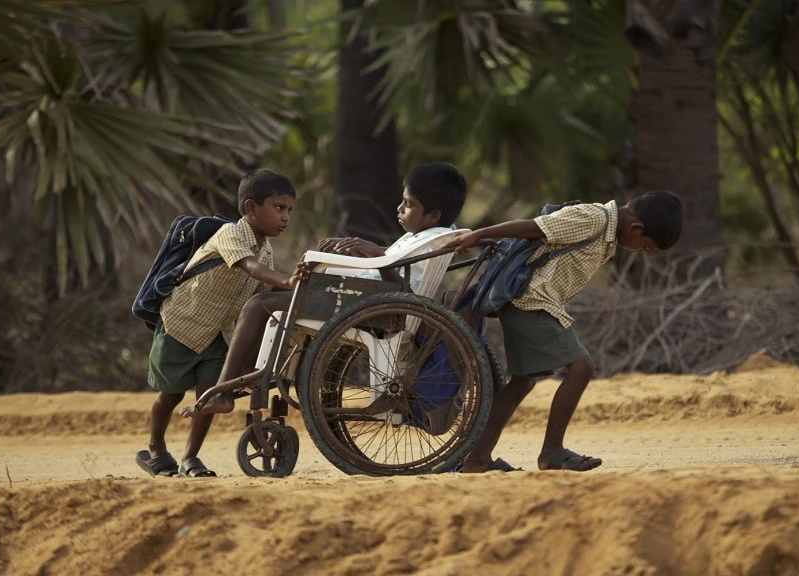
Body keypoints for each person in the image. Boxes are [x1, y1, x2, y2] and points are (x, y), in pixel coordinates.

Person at [181, 162, 469, 419]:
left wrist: (370, 253)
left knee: (260, 304)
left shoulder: (428, 236)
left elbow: (401, 284)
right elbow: (404, 263)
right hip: (373, 300)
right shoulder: (437, 233)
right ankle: (257, 374)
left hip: (375, 305)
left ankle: (226, 388)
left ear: (432, 215)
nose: (399, 208)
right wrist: (365, 248)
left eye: (407, 204)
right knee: (278, 300)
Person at [445, 191, 684, 473]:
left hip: (532, 302)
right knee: (581, 368)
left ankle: (477, 460)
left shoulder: (606, 232)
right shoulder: (593, 218)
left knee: (523, 381)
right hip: (531, 301)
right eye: (645, 247)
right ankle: (552, 452)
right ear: (636, 228)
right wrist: (480, 234)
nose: (641, 251)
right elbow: (534, 227)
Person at [136, 169, 310, 479]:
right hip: (182, 324)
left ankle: (190, 457)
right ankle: (156, 448)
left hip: (219, 334)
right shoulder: (230, 235)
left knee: (210, 395)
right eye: (279, 208)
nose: (285, 217)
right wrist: (286, 279)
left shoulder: (266, 249)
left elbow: (262, 295)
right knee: (170, 394)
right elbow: (249, 266)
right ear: (251, 208)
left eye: (289, 210)